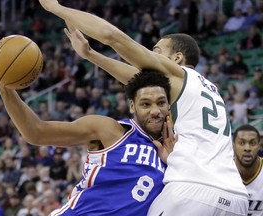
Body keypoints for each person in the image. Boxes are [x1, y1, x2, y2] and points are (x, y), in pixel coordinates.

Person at [37, 0, 249, 215]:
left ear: (177, 58)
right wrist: (90, 54)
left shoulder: (178, 76)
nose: (150, 54)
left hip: (192, 190)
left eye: (156, 51)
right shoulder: (209, 91)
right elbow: (135, 80)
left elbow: (112, 37)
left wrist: (56, 8)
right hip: (236, 198)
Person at [0, 49, 175, 216]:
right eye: (145, 104)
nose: (155, 111)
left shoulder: (174, 153)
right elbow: (36, 132)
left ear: (169, 105)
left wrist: (173, 162)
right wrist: (4, 87)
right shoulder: (110, 130)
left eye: (161, 103)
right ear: (132, 106)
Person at [233, 124, 263, 215]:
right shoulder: (222, 171)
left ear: (259, 145)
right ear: (233, 145)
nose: (247, 148)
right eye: (241, 143)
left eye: (252, 143)